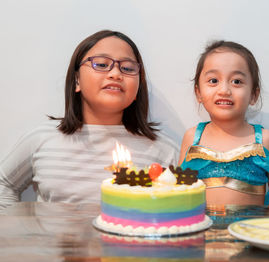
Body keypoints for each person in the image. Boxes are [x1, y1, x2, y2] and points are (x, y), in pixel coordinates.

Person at [0, 30, 178, 211]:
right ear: (77, 80)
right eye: (101, 64)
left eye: (128, 68)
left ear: (138, 89)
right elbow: (3, 183)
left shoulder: (163, 150)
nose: (115, 73)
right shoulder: (42, 138)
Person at [179, 40, 269, 206]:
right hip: (202, 230)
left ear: (254, 95)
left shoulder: (264, 140)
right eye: (213, 81)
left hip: (248, 231)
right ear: (198, 92)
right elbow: (180, 193)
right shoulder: (192, 138)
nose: (224, 90)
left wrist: (267, 229)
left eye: (237, 81)